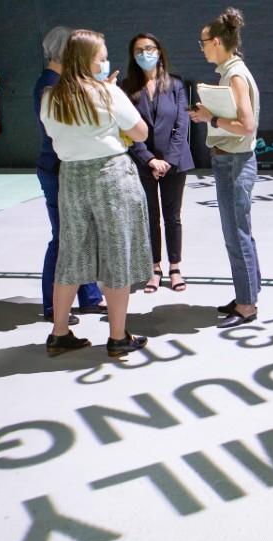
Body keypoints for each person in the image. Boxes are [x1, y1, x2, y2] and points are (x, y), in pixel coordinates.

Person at [39, 29, 151, 357]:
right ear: (88, 60)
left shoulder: (51, 96)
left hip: (71, 178)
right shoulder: (107, 93)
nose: (105, 63)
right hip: (112, 176)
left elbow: (55, 133)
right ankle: (117, 337)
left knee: (71, 254)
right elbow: (140, 132)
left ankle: (59, 332)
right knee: (117, 254)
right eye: (101, 58)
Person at [189, 7, 262, 328]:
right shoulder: (232, 71)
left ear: (217, 41)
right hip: (232, 160)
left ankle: (247, 304)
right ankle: (248, 294)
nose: (202, 47)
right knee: (240, 232)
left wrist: (211, 119)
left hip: (234, 162)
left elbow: (246, 125)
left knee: (236, 235)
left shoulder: (234, 75)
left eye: (203, 42)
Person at [34, 25, 106, 325]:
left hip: (65, 167)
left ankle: (88, 296)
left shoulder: (58, 82)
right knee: (63, 237)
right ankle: (53, 305)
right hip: (57, 168)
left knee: (81, 235)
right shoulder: (50, 86)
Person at [121, 32, 195, 294]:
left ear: (160, 52)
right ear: (133, 56)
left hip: (176, 163)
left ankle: (175, 267)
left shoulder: (175, 85)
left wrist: (167, 161)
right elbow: (126, 129)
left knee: (172, 216)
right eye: (139, 50)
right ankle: (154, 268)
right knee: (150, 217)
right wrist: (150, 159)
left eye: (149, 48)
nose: (145, 54)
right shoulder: (125, 87)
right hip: (143, 164)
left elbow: (181, 124)